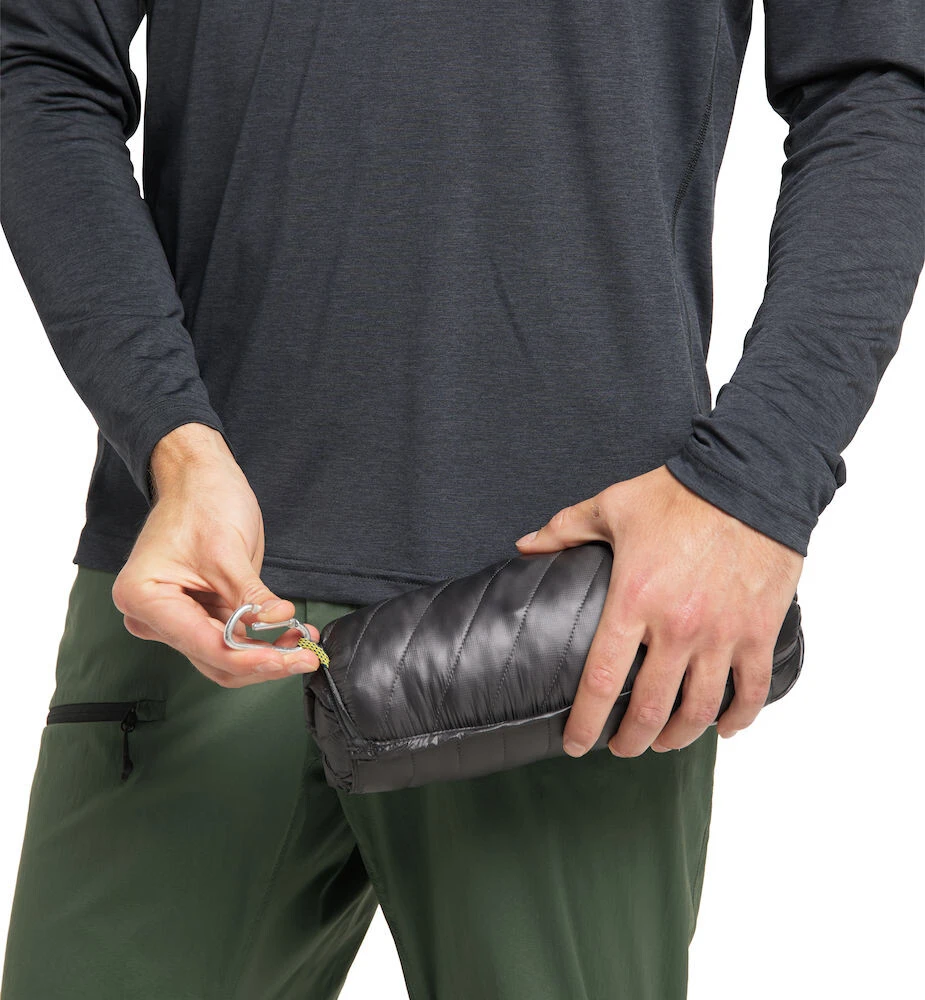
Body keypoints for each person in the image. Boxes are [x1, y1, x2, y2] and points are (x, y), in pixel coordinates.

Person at [1, 0, 922, 997]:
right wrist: (170, 439)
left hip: (575, 625)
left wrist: (755, 483)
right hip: (205, 577)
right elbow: (41, 53)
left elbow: (872, 79)